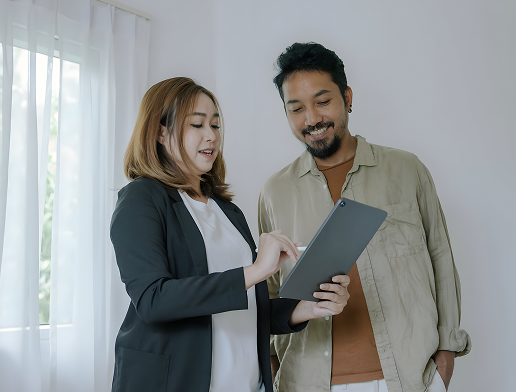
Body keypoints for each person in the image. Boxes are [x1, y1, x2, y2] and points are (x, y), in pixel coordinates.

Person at [110, 77, 351, 392]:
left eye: (216, 124)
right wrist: (254, 271)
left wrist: (306, 307)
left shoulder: (228, 211)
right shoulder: (141, 199)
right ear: (159, 131)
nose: (211, 136)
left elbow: (243, 307)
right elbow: (154, 301)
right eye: (197, 125)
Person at [259, 43, 472, 392]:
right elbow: (268, 289)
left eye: (322, 101)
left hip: (405, 376)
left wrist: (446, 353)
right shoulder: (274, 191)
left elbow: (441, 259)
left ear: (347, 97)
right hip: (308, 381)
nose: (311, 119)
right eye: (296, 108)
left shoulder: (406, 169)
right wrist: (270, 367)